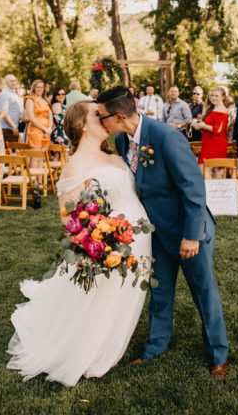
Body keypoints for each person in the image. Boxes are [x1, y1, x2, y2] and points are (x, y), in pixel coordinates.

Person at [7, 101, 152, 387]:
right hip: (110, 245)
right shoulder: (75, 165)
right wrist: (98, 242)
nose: (106, 118)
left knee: (121, 298)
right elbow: (69, 218)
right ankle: (91, 349)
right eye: (98, 115)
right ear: (83, 125)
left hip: (137, 240)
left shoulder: (116, 152)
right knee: (100, 301)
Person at [97, 87, 229, 378]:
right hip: (155, 233)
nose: (99, 121)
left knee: (204, 294)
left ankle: (218, 355)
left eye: (101, 116)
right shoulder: (121, 140)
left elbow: (194, 189)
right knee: (159, 292)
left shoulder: (167, 137)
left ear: (118, 116)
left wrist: (191, 235)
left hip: (188, 231)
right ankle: (155, 347)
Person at [193, 88, 229, 177]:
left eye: (217, 96)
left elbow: (218, 130)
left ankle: (210, 191)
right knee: (214, 170)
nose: (213, 98)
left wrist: (203, 126)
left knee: (205, 168)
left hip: (215, 144)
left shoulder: (221, 110)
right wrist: (200, 126)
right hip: (209, 143)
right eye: (212, 95)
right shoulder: (214, 108)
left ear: (223, 97)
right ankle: (216, 190)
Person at [24, 79, 53, 171]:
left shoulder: (46, 100)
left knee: (42, 158)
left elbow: (50, 116)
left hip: (46, 133)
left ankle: (40, 182)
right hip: (36, 132)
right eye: (38, 87)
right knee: (35, 157)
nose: (40, 89)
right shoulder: (30, 100)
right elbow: (32, 118)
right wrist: (45, 129)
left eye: (42, 87)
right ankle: (34, 182)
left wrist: (49, 129)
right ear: (34, 88)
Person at [0, 74, 23, 144]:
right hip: (7, 129)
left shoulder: (14, 94)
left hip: (14, 128)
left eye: (15, 81)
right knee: (8, 152)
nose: (14, 83)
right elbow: (4, 113)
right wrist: (13, 127)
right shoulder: (5, 94)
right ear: (6, 83)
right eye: (11, 81)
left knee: (14, 151)